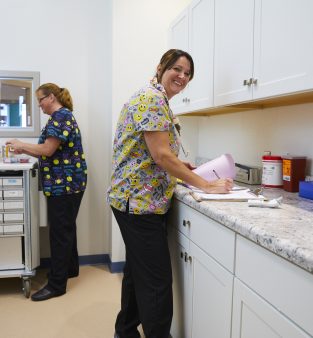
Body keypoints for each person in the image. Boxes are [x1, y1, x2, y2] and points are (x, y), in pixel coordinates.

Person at [107, 49, 233, 338]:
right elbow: (161, 155)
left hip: (135, 199)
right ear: (160, 67)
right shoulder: (152, 99)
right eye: (177, 68)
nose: (182, 76)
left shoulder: (157, 99)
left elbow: (156, 154)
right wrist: (205, 184)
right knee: (156, 283)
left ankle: (125, 331)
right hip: (139, 203)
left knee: (138, 273)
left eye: (188, 73)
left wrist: (180, 165)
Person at [6, 83, 87, 301]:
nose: (39, 105)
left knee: (60, 232)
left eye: (40, 100)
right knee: (66, 227)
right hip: (67, 183)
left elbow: (47, 150)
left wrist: (22, 146)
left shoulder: (60, 117)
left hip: (65, 184)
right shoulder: (61, 117)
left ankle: (56, 285)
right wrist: (25, 151)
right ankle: (70, 269)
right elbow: (49, 152)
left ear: (51, 98)